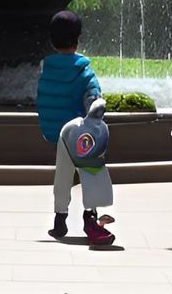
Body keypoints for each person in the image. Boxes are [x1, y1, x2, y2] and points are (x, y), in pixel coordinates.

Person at [35, 9, 108, 243]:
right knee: (92, 175)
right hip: (81, 137)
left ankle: (60, 219)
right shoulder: (83, 70)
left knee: (63, 176)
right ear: (78, 39)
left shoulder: (46, 68)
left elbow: (44, 99)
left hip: (58, 135)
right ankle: (91, 217)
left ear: (51, 40)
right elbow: (92, 101)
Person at [58, 96, 115, 245]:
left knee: (94, 182)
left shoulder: (103, 128)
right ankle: (60, 219)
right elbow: (80, 153)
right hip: (67, 144)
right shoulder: (74, 128)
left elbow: (99, 152)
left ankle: (90, 218)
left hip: (92, 158)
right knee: (64, 180)